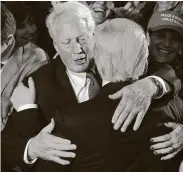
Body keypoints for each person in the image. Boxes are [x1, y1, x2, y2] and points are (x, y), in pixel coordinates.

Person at [2, 1, 182, 171]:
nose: (77, 50)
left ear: (94, 35)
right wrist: (31, 147)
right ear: (55, 45)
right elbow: (5, 146)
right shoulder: (37, 84)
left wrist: (152, 85)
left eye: (82, 39)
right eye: (67, 42)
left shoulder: (123, 60)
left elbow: (166, 71)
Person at [1, 3, 49, 130]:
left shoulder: (36, 58)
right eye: (22, 26)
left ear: (8, 39)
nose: (31, 30)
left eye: (31, 23)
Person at [147, 10, 183, 161]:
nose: (167, 44)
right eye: (160, 35)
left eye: (175, 39)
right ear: (147, 35)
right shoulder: (128, 65)